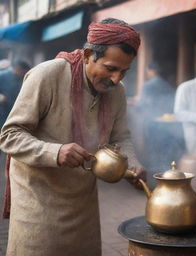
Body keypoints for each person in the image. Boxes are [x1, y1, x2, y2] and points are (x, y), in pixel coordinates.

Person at [0, 18, 146, 256]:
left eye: (124, 71)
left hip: (82, 203)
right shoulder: (47, 75)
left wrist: (133, 162)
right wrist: (56, 152)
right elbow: (9, 135)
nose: (117, 79)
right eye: (110, 68)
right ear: (88, 54)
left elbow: (121, 137)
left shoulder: (116, 92)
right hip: (38, 202)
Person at [0, 59, 31, 128]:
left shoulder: (23, 79)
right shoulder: (3, 75)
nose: (24, 74)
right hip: (2, 111)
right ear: (18, 69)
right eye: (23, 72)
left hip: (15, 113)